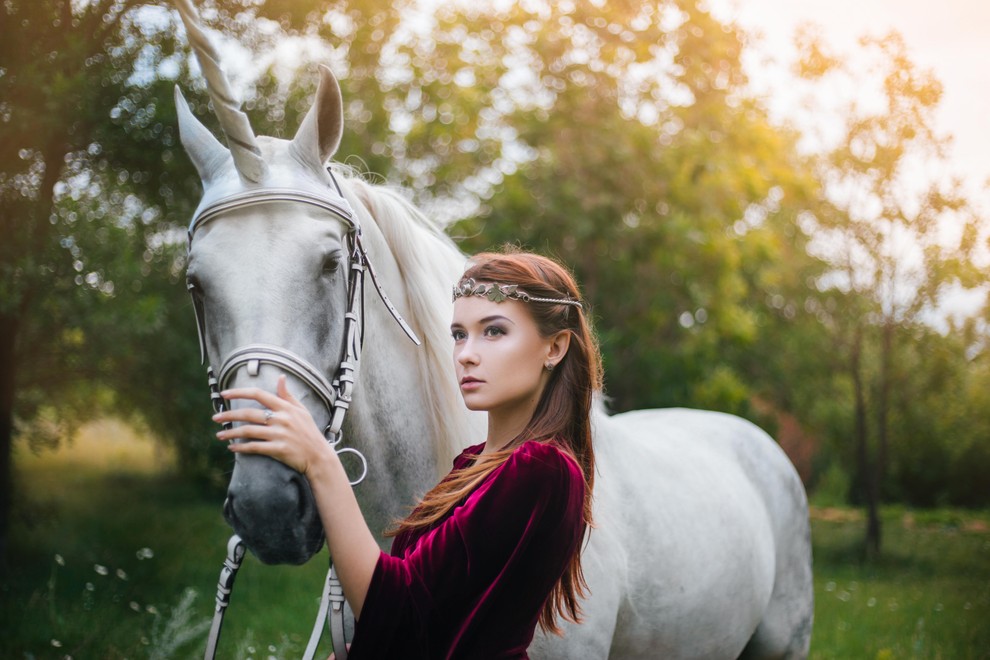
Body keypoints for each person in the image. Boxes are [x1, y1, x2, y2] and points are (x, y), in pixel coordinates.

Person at [212, 250, 602, 658]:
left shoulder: (540, 469)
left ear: (554, 348)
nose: (466, 353)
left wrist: (321, 463)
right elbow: (433, 620)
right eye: (458, 334)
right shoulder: (475, 463)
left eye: (494, 331)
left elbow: (399, 612)